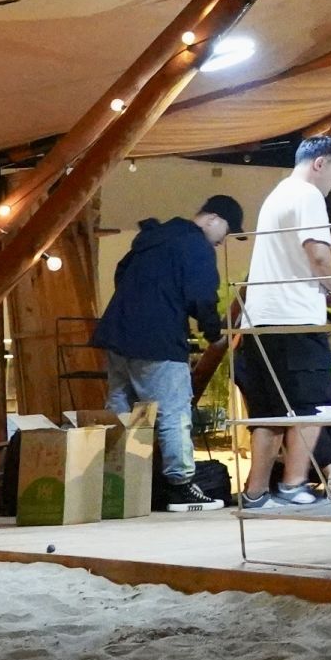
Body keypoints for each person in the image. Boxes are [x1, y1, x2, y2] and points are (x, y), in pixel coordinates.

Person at [93, 192, 241, 510]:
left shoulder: (154, 237)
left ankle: (117, 481)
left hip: (119, 334)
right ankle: (180, 486)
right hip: (159, 341)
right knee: (173, 411)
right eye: (226, 232)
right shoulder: (196, 245)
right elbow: (202, 295)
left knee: (123, 410)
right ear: (213, 219)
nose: (221, 242)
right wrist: (212, 333)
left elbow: (121, 272)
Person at [237, 136, 331, 507]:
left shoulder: (277, 195)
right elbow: (318, 254)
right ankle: (293, 485)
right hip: (297, 319)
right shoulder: (308, 195)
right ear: (320, 163)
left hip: (259, 320)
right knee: (313, 407)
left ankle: (255, 493)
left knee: (268, 414)